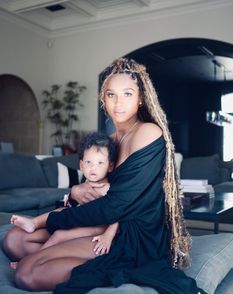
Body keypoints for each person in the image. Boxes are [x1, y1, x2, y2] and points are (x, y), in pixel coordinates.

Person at [3, 58, 204, 294]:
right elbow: (97, 184)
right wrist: (76, 191)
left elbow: (117, 205)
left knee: (26, 273)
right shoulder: (110, 142)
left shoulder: (147, 132)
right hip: (104, 219)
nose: (118, 103)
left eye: (127, 94)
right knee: (13, 241)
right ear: (103, 99)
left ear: (140, 98)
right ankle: (62, 255)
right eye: (111, 95)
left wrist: (51, 220)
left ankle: (109, 268)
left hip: (131, 233)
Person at [10, 132, 119, 257]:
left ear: (110, 166)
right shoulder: (85, 183)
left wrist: (108, 235)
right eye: (89, 162)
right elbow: (72, 206)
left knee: (60, 235)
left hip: (99, 226)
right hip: (79, 219)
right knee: (60, 210)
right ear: (81, 165)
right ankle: (34, 223)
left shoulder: (107, 188)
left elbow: (119, 213)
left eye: (100, 163)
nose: (93, 168)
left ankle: (32, 259)